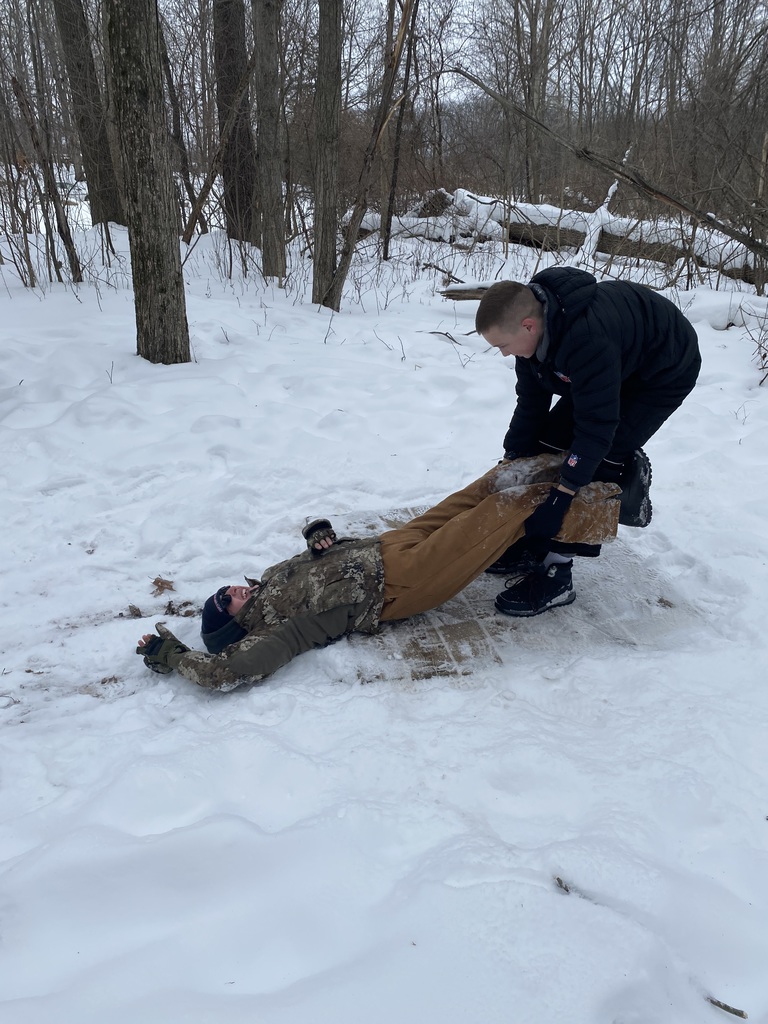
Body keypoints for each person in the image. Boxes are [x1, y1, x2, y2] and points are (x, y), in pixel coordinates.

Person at [136, 455, 620, 692]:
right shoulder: (278, 630)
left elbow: (319, 558)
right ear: (235, 624)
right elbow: (227, 670)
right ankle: (614, 499)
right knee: (503, 510)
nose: (232, 591)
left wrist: (319, 538)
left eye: (225, 590)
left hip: (389, 544)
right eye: (227, 602)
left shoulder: (270, 581)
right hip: (402, 581)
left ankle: (579, 456)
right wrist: (176, 657)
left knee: (489, 485)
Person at [475, 267, 701, 617]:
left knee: (601, 458)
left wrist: (563, 495)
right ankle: (532, 544)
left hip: (661, 370)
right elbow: (531, 405)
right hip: (617, 360)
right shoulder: (532, 342)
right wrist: (515, 457)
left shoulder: (585, 339)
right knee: (551, 440)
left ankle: (557, 573)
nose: (504, 354)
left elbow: (596, 427)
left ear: (529, 326)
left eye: (503, 345)